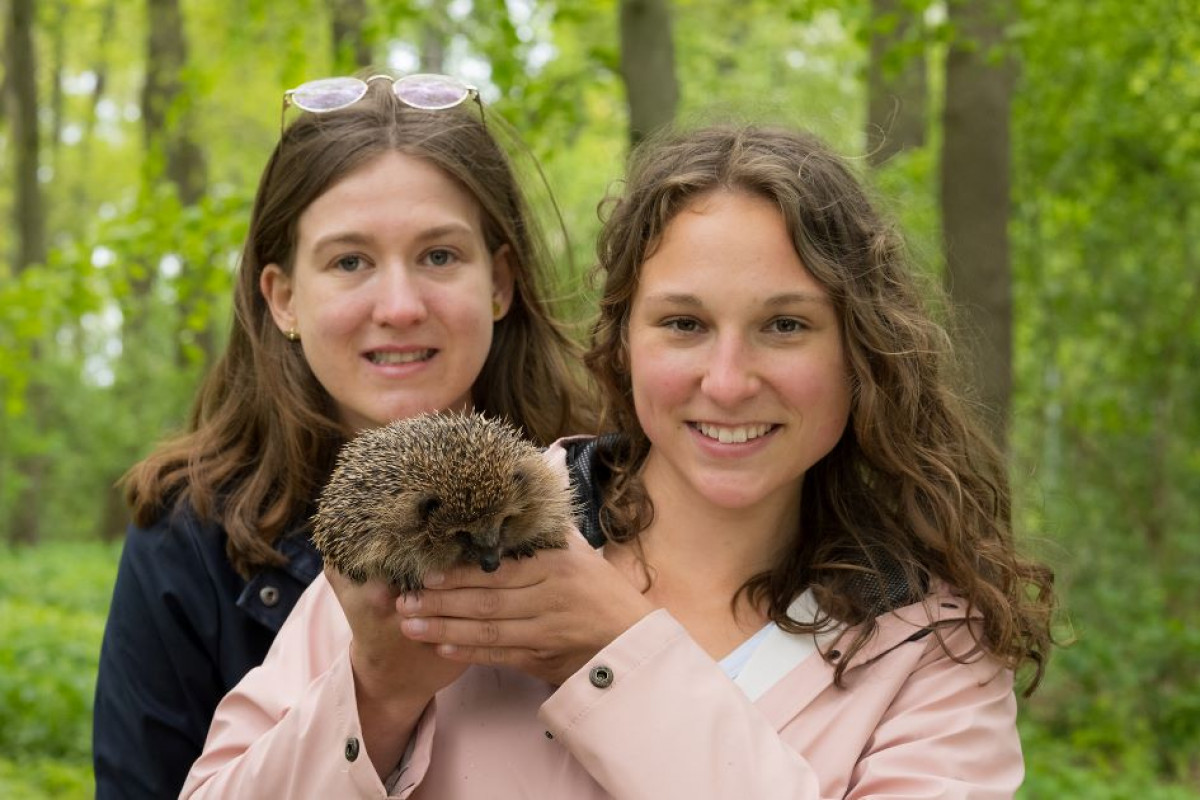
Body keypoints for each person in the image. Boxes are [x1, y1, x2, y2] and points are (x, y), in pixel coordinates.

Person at [182, 123, 1057, 799]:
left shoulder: (931, 653)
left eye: (785, 325)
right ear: (623, 343)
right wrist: (373, 696)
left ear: (860, 351)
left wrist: (618, 650)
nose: (727, 380)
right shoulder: (442, 518)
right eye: (682, 323)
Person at [92, 72, 594, 799]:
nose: (398, 305)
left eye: (440, 256)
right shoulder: (190, 531)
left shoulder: (607, 486)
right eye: (350, 261)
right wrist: (380, 695)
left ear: (501, 281)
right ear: (285, 298)